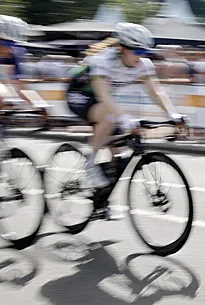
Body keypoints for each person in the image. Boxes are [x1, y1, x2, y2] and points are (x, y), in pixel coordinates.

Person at [65, 22, 187, 193]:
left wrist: (173, 114)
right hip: (80, 94)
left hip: (103, 101)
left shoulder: (143, 65)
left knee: (118, 154)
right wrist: (124, 118)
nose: (141, 56)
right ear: (123, 48)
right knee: (110, 116)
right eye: (137, 51)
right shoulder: (104, 61)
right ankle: (90, 161)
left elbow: (156, 92)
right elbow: (103, 95)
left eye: (144, 52)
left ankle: (102, 197)